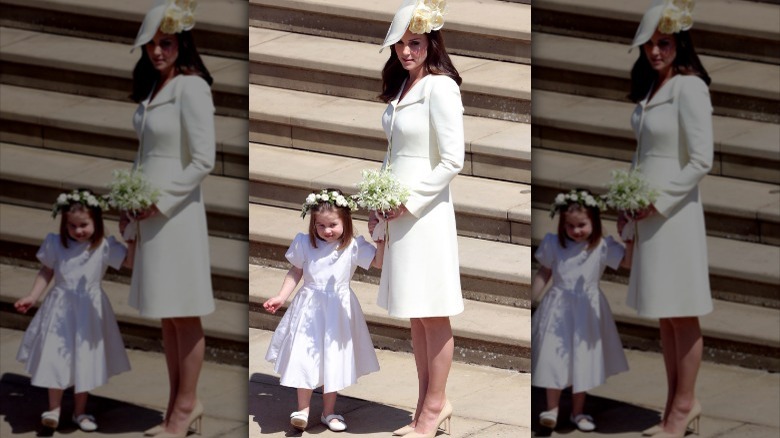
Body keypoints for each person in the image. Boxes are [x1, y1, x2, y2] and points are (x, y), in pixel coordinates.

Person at [368, 1, 464, 436]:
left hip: (424, 215)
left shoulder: (440, 88)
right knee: (415, 314)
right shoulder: (405, 87)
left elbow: (452, 161)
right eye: (401, 44)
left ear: (431, 43)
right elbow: (395, 154)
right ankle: (425, 403)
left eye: (415, 43)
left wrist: (409, 201)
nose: (406, 51)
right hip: (397, 212)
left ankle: (435, 406)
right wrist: (380, 198)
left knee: (434, 311)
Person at [620, 0, 713, 436]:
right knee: (665, 314)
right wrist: (629, 202)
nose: (656, 51)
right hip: (648, 214)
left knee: (683, 311)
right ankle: (676, 403)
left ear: (679, 43)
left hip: (674, 215)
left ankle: (683, 407)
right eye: (650, 44)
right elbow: (643, 155)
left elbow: (700, 161)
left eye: (664, 43)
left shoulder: (690, 88)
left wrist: (657, 200)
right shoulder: (654, 88)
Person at [123, 0, 216, 436]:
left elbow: (203, 160)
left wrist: (159, 201)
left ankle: (185, 408)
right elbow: (145, 155)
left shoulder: (191, 87)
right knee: (167, 314)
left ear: (181, 42)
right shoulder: (155, 88)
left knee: (185, 310)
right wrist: (131, 208)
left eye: (166, 42)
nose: (158, 51)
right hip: (148, 213)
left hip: (176, 214)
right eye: (152, 44)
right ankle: (177, 405)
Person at [263, 189, 384, 432]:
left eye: (333, 224)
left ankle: (329, 411)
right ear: (313, 224)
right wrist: (281, 296)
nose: (327, 230)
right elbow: (296, 271)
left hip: (338, 310)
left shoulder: (352, 246)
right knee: (304, 356)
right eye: (320, 225)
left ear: (346, 221)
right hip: (308, 308)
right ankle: (303, 409)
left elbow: (378, 263)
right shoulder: (305, 243)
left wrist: (380, 236)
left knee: (333, 358)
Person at [15, 189, 134, 432]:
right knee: (55, 357)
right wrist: (32, 295)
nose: (78, 230)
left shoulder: (103, 246)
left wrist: (130, 235)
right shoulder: (56, 244)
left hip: (89, 311)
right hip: (59, 309)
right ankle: (54, 409)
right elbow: (47, 271)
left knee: (84, 358)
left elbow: (129, 262)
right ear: (64, 224)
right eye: (72, 226)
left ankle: (80, 412)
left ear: (96, 222)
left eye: (84, 225)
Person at [532, 189, 632, 432]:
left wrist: (630, 234)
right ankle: (552, 409)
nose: (576, 230)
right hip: (557, 309)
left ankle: (578, 411)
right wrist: (531, 299)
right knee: (553, 358)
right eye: (570, 226)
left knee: (582, 360)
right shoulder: (554, 244)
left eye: (582, 225)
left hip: (587, 310)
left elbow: (627, 262)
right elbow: (545, 272)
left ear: (594, 222)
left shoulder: (601, 246)